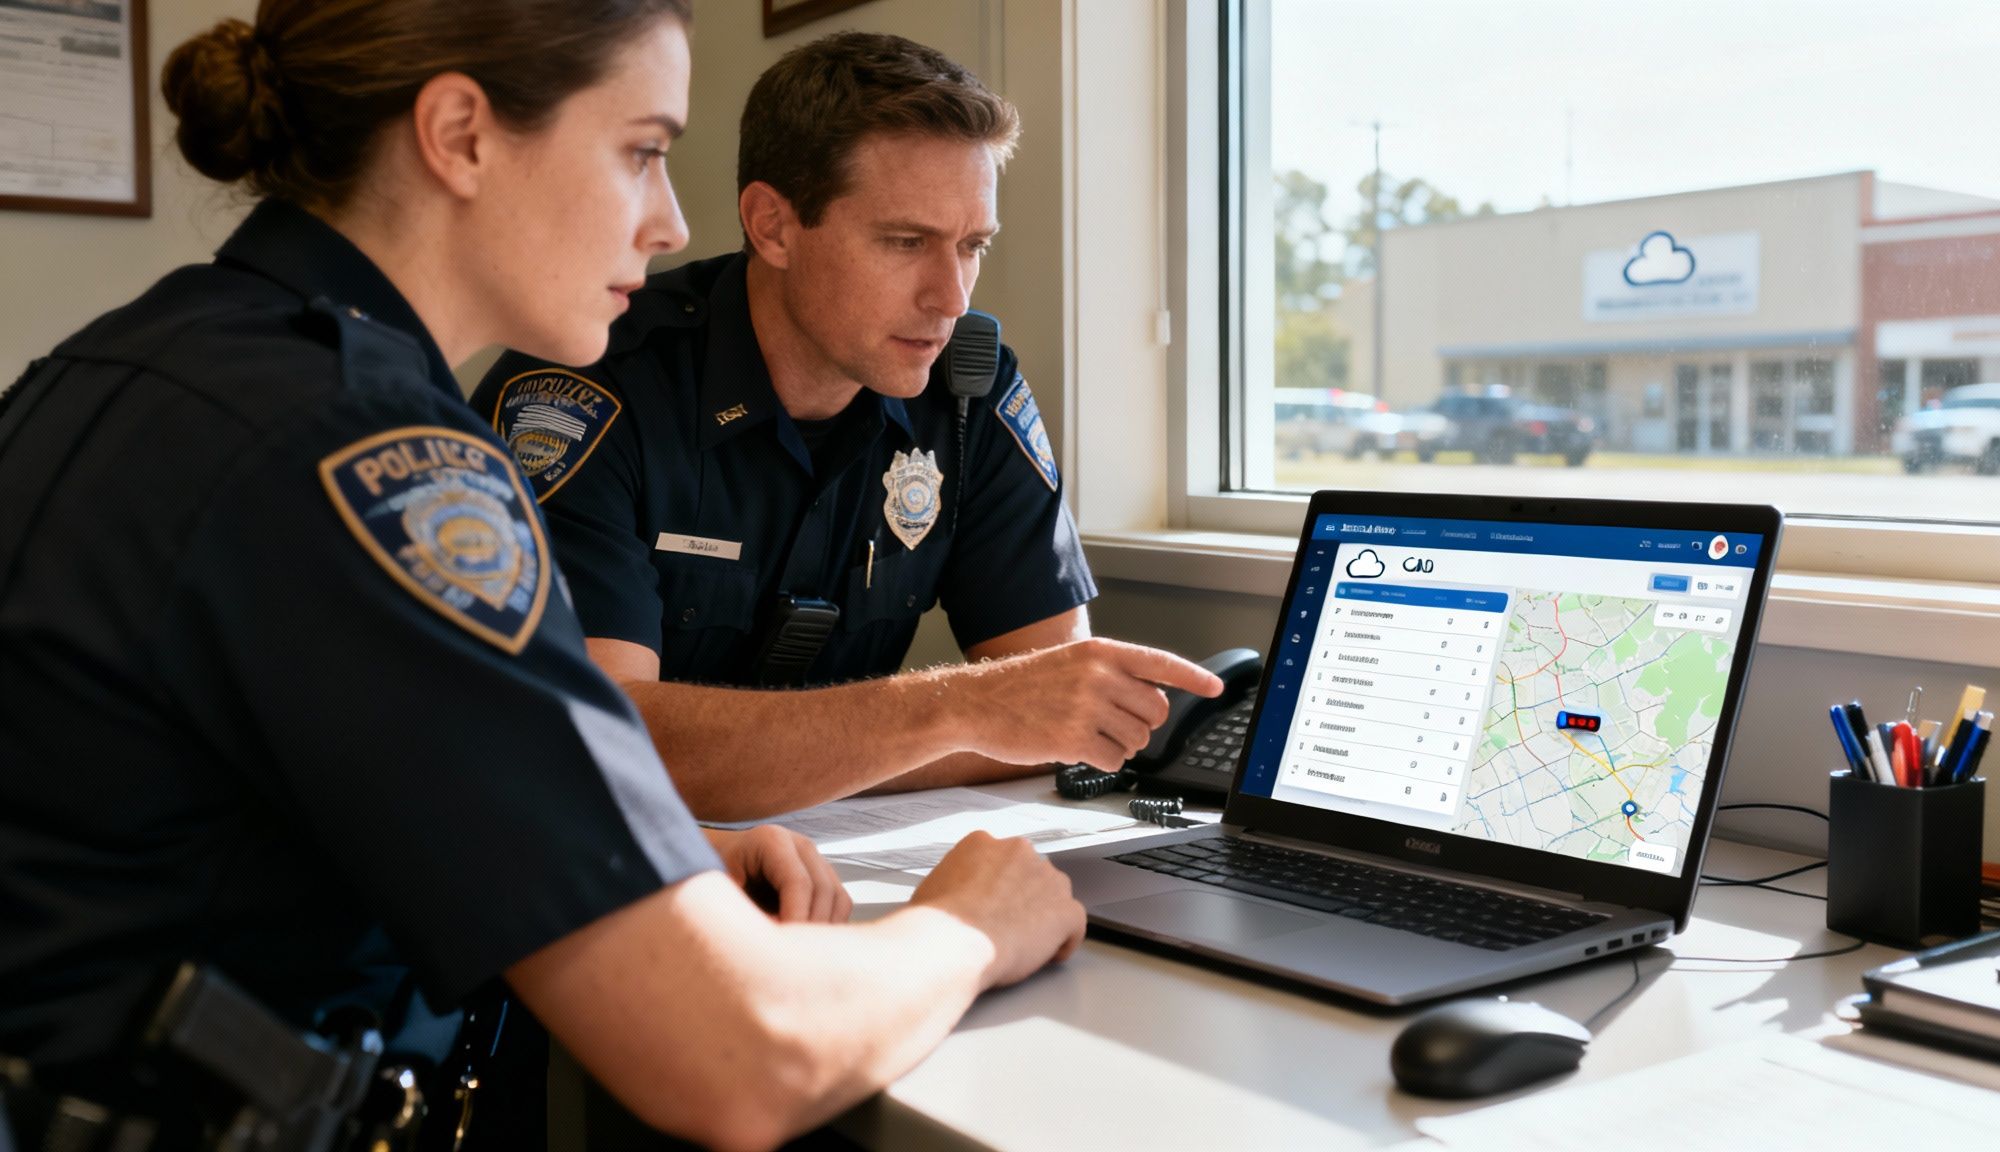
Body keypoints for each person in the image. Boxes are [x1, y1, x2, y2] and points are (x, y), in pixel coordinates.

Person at [0, 3, 1085, 1148]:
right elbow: (743, 1056)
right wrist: (973, 925)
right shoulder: (378, 461)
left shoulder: (129, 362)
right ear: (460, 136)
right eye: (641, 152)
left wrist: (654, 853)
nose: (670, 222)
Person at [471, 32, 1221, 823]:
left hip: (837, 856)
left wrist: (799, 751)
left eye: (972, 246)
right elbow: (601, 744)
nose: (952, 298)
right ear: (773, 226)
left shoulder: (970, 391)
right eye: (905, 242)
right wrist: (955, 709)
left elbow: (1057, 713)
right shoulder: (585, 388)